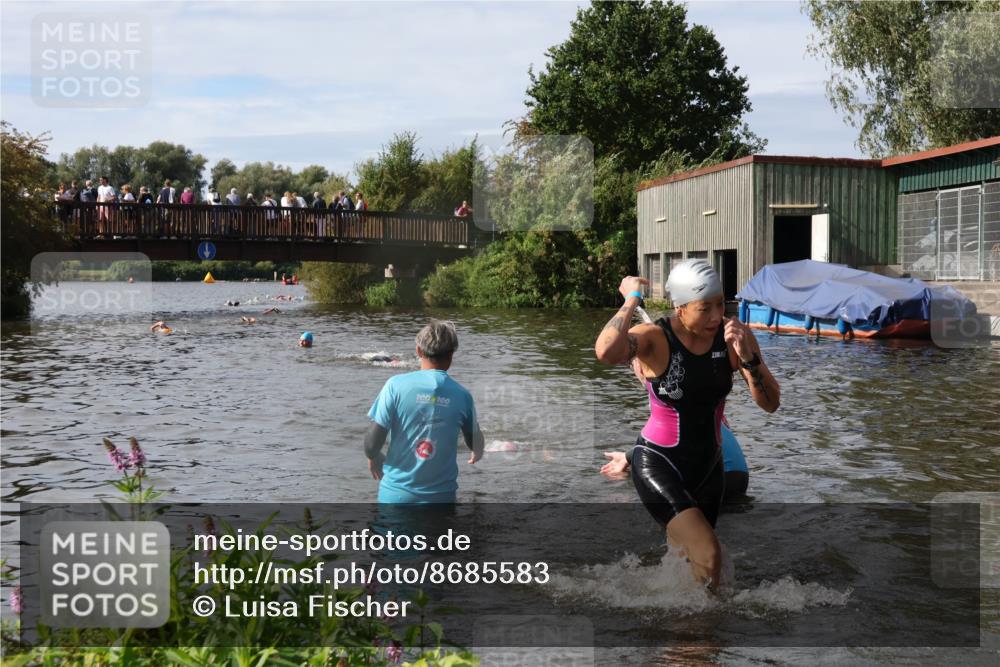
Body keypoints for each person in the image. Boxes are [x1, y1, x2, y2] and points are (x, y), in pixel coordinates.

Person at [594, 260, 779, 589]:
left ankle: (677, 618)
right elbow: (606, 351)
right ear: (680, 308)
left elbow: (770, 404)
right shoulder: (655, 337)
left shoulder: (732, 337)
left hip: (709, 469)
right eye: (704, 308)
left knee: (693, 564)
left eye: (720, 304)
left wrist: (749, 358)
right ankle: (708, 622)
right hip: (659, 462)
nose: (716, 316)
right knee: (709, 553)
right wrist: (632, 299)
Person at [365, 320, 485, 503]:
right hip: (441, 499)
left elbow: (371, 445)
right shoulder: (462, 396)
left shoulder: (394, 386)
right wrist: (477, 451)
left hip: (396, 497)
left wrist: (374, 456)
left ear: (419, 351)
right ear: (451, 355)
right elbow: (476, 442)